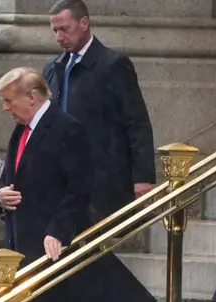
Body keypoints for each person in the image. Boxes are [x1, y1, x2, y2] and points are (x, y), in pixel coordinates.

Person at [0, 67, 156, 302]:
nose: (5, 108)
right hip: (21, 253)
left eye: (8, 100)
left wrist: (58, 230)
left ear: (31, 97)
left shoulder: (67, 128)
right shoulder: (20, 131)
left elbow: (80, 188)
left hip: (53, 254)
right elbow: (11, 176)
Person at [43, 0, 156, 220]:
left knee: (97, 248)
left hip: (101, 179)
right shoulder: (52, 68)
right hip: (60, 178)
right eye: (55, 30)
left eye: (65, 29)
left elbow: (136, 122)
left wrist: (142, 177)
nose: (58, 37)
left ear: (84, 23)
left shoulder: (114, 65)